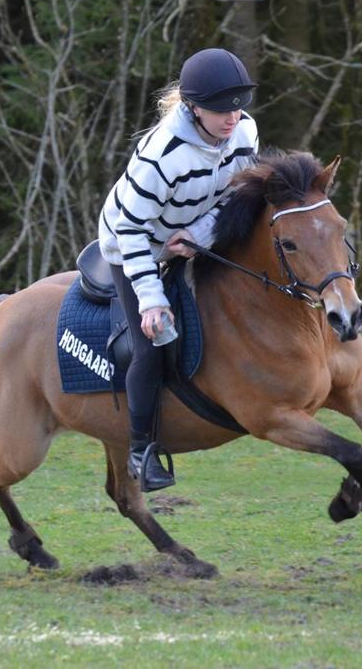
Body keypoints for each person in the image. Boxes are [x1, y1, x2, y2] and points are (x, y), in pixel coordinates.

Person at [98, 48, 260, 491]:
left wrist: (200, 234)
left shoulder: (245, 132)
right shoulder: (161, 155)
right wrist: (150, 301)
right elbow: (130, 230)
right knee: (150, 345)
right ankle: (140, 451)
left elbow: (235, 195)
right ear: (192, 107)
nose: (232, 118)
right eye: (220, 109)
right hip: (134, 245)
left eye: (237, 106)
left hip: (186, 238)